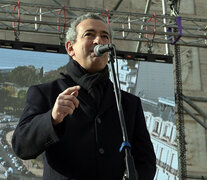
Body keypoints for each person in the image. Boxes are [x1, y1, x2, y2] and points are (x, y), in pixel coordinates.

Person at [12, 13, 156, 180]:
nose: (98, 41)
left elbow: (146, 162)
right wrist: (52, 118)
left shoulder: (129, 103)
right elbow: (21, 146)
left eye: (105, 36)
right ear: (70, 48)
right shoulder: (46, 93)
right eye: (90, 34)